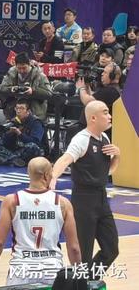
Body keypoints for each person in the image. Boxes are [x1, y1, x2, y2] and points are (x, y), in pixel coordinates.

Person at [0, 157, 81, 288]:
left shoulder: (12, 201)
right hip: (52, 270)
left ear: (28, 174)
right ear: (46, 175)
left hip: (21, 270)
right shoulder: (63, 203)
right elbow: (74, 247)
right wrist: (79, 275)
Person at [50, 101, 120, 278]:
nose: (110, 116)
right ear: (93, 118)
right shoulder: (81, 139)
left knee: (111, 249)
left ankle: (89, 280)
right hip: (83, 200)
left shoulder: (105, 138)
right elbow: (65, 159)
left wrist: (117, 156)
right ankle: (82, 283)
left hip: (102, 198)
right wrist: (53, 178)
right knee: (84, 254)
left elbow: (108, 171)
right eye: (105, 112)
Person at [0, 99, 45, 167]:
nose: (18, 111)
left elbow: (36, 142)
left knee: (32, 146)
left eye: (22, 108)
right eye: (17, 108)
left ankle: (3, 160)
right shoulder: (15, 121)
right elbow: (5, 143)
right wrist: (9, 134)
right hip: (18, 150)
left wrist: (20, 134)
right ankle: (15, 160)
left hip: (34, 151)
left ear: (28, 111)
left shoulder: (36, 123)